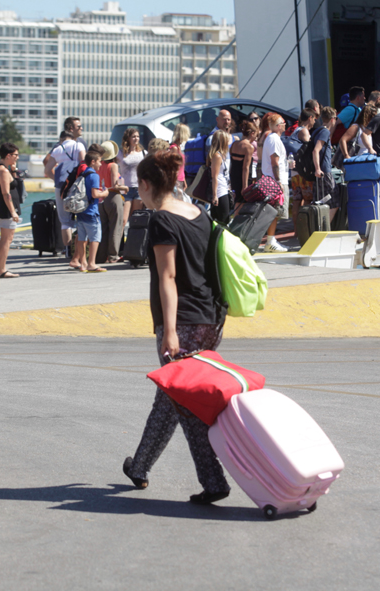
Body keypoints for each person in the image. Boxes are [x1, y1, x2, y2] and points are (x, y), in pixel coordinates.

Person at [121, 149, 231, 506]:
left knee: (185, 402)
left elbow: (168, 277)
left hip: (182, 321)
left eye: (138, 184)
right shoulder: (198, 213)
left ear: (149, 184)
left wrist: (168, 331)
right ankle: (139, 466)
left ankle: (214, 480)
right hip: (210, 318)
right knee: (171, 397)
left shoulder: (162, 220)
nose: (137, 190)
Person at [45, 117, 86, 256]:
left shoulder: (57, 149)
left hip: (61, 187)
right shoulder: (79, 145)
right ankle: (78, 251)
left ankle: (67, 250)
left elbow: (47, 169)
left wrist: (56, 179)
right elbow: (83, 165)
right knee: (80, 215)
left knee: (65, 220)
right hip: (77, 186)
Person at [73, 149, 109, 273]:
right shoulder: (94, 175)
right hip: (91, 211)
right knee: (95, 238)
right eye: (99, 161)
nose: (101, 164)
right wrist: (105, 192)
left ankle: (83, 263)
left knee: (82, 238)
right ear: (93, 162)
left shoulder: (82, 174)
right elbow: (94, 194)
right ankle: (92, 263)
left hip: (81, 211)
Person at [0, 143, 22, 279]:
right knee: (6, 239)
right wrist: (13, 211)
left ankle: (0, 268)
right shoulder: (2, 170)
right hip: (6, 209)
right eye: (15, 155)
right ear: (8, 155)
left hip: (7, 208)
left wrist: (13, 171)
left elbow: (13, 184)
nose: (17, 157)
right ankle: (1, 269)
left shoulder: (4, 168)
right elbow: (5, 193)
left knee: (7, 238)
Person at [260, 112, 289, 252]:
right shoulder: (274, 139)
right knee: (274, 212)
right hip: (274, 181)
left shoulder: (273, 139)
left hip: (274, 180)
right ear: (278, 126)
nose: (285, 124)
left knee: (275, 213)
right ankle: (270, 241)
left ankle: (272, 240)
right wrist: (278, 181)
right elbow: (275, 162)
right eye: (283, 122)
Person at [97, 141, 126, 263]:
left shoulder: (100, 165)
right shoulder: (113, 165)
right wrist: (126, 188)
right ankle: (113, 256)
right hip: (113, 197)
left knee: (103, 228)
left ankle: (101, 256)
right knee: (116, 227)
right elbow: (115, 184)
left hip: (101, 198)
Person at [312, 106, 339, 221]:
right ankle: (326, 229)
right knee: (334, 202)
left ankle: (321, 228)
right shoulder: (324, 132)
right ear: (332, 119)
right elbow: (316, 150)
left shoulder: (317, 131)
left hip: (321, 171)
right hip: (324, 171)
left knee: (322, 201)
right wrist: (318, 169)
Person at [118, 127, 146, 226]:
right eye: (133, 136)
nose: (136, 139)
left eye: (138, 136)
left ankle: (132, 240)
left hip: (139, 188)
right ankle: (119, 241)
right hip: (125, 188)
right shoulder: (120, 153)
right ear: (128, 138)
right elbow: (114, 169)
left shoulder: (143, 153)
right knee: (123, 220)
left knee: (135, 220)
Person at [207, 130, 232, 225]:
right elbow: (214, 176)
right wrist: (214, 196)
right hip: (219, 191)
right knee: (223, 219)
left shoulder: (221, 154)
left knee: (223, 219)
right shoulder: (217, 156)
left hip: (224, 188)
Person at [229, 120, 258, 200]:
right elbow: (245, 167)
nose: (256, 137)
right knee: (244, 203)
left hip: (234, 177)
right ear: (252, 133)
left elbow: (232, 163)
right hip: (243, 179)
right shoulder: (249, 147)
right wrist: (245, 186)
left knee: (236, 202)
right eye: (256, 134)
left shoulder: (234, 144)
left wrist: (231, 182)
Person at [170, 123, 190, 191]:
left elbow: (181, 166)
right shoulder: (174, 148)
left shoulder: (178, 147)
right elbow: (173, 166)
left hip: (180, 179)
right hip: (176, 181)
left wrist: (184, 180)